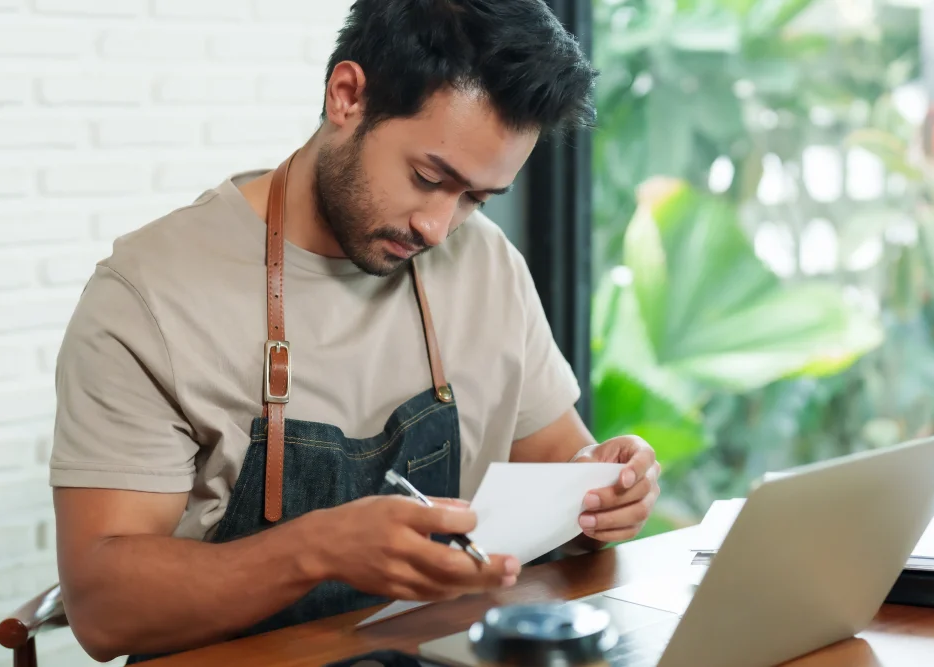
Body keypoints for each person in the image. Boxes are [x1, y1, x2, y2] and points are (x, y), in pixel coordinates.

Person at [48, 0, 661, 663]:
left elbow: (562, 465)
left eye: (476, 198)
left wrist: (602, 494)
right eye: (429, 177)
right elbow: (105, 610)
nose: (438, 226)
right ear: (347, 96)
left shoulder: (484, 262)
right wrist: (317, 549)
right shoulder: (150, 294)